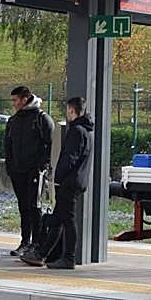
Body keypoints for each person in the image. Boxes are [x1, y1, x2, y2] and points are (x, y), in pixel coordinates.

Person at [4, 85, 54, 257]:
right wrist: (10, 167)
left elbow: (49, 144)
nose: (14, 104)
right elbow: (8, 146)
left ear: (25, 99)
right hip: (17, 171)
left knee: (34, 207)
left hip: (34, 172)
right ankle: (25, 242)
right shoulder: (13, 121)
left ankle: (37, 243)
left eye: (15, 100)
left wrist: (42, 166)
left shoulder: (41, 118)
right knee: (23, 207)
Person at [46, 97, 94, 270]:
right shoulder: (88, 131)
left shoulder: (76, 131)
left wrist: (57, 177)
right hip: (78, 180)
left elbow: (69, 158)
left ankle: (68, 257)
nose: (67, 114)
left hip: (69, 182)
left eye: (68, 110)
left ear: (72, 111)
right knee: (58, 218)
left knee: (67, 220)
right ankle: (42, 252)